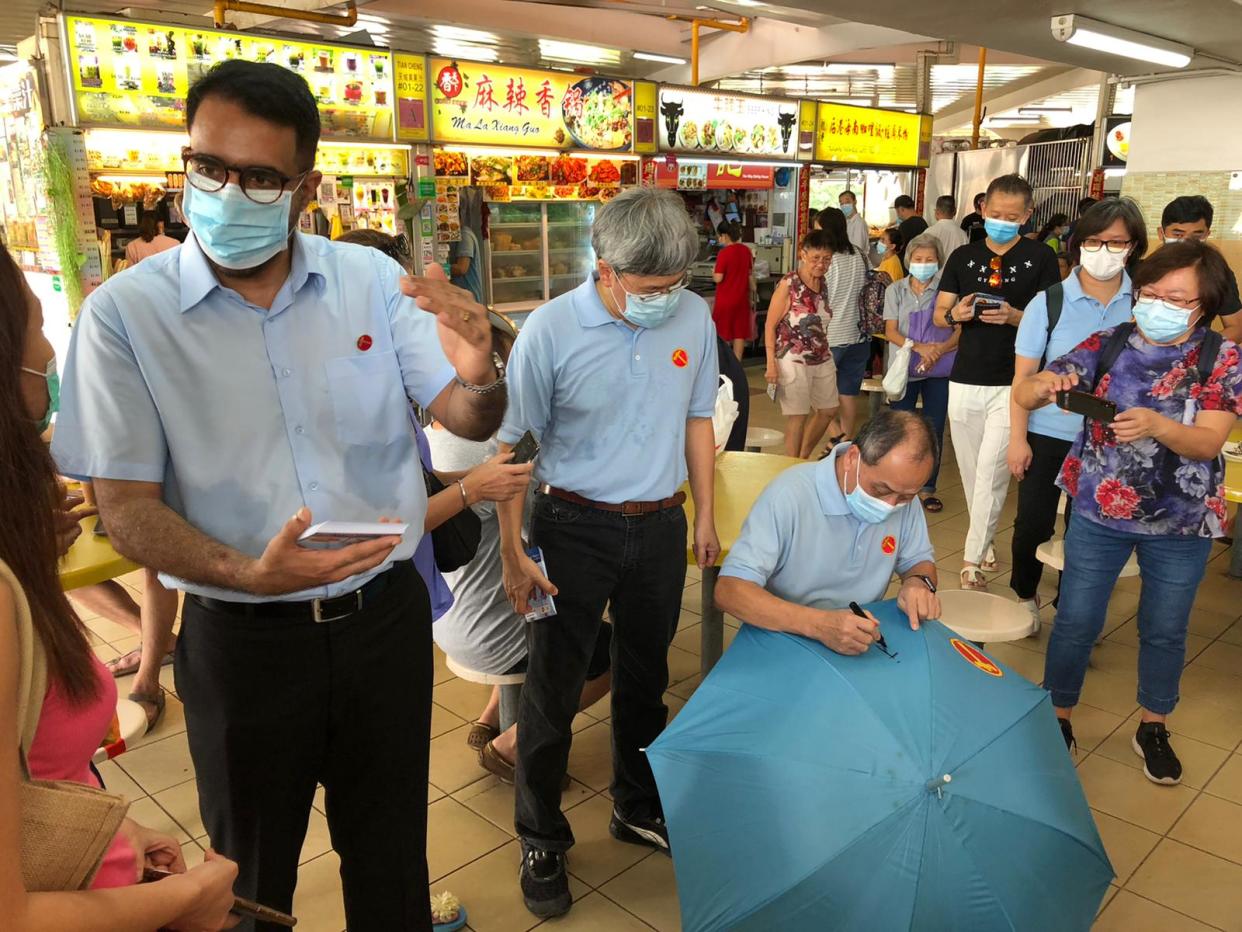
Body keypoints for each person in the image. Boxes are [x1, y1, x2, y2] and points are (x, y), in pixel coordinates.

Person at [51, 60, 507, 932]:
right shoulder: (123, 319)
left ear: (304, 187)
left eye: (260, 177)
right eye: (209, 167)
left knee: (390, 856)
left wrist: (483, 371)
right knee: (249, 881)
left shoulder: (369, 283)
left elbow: (467, 415)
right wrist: (245, 573)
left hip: (383, 623)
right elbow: (126, 507)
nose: (228, 191)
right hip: (242, 641)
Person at [0, 241, 241, 930]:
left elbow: (41, 789)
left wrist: (118, 839)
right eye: (32, 322)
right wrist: (191, 898)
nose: (48, 350)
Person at [496, 186, 720, 919]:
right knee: (553, 692)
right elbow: (517, 451)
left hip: (657, 526)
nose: (666, 298)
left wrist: (704, 517)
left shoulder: (693, 313)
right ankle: (541, 837)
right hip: (571, 526)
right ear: (605, 266)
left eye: (674, 284)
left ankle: (635, 804)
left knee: (645, 679)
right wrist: (511, 551)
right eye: (650, 287)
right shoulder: (551, 331)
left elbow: (696, 420)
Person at [1014, 241, 1241, 784]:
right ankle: (1058, 716)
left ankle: (1153, 725)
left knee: (1164, 627)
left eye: (1175, 297)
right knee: (1076, 620)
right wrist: (1045, 385)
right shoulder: (1109, 343)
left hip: (1180, 521)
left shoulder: (1222, 357)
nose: (1158, 303)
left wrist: (1158, 425)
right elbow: (1024, 394)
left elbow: (1209, 443)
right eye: (1151, 293)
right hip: (1098, 509)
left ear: (1204, 305)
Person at [424, 313, 611, 783]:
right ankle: (514, 743)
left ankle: (490, 716)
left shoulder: (430, 438)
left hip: (445, 618)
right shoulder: (491, 452)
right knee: (610, 646)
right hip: (487, 629)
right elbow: (538, 530)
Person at [1008, 198, 1145, 630]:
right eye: (1094, 241)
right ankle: (1024, 595)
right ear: (1077, 243)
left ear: (1133, 246)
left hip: (1112, 441)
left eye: (1116, 242)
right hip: (1048, 433)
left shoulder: (1146, 303)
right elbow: (1022, 381)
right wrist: (1017, 439)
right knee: (1034, 522)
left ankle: (1073, 609)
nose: (1104, 251)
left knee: (1088, 530)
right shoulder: (1048, 303)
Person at [715, 409, 941, 648]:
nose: (890, 506)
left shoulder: (906, 501)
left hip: (859, 638)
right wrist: (818, 625)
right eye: (880, 490)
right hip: (784, 635)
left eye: (905, 496)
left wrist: (918, 583)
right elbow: (730, 590)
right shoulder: (789, 495)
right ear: (853, 457)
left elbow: (919, 561)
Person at [934, 174, 1061, 591]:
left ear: (1026, 216)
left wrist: (1013, 317)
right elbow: (941, 314)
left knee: (991, 472)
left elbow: (1050, 322)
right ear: (983, 209)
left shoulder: (1040, 256)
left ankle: (971, 562)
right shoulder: (962, 256)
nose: (1002, 221)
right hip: (965, 378)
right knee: (972, 472)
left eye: (1012, 216)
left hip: (1014, 383)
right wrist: (959, 316)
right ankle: (985, 542)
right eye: (995, 213)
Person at [882, 233, 959, 513]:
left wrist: (938, 350)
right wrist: (920, 347)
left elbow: (958, 331)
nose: (923, 264)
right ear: (909, 260)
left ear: (938, 262)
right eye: (918, 259)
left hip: (939, 369)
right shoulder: (896, 290)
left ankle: (927, 488)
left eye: (929, 259)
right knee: (898, 427)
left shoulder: (948, 292)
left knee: (934, 428)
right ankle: (895, 483)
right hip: (904, 368)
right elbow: (891, 331)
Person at [765, 231, 839, 459]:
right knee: (798, 416)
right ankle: (791, 464)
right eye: (816, 258)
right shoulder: (790, 284)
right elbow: (770, 325)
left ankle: (803, 456)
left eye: (826, 259)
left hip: (822, 356)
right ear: (803, 254)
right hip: (792, 359)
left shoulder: (823, 283)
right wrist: (771, 364)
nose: (821, 264)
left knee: (828, 410)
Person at [817, 206, 869, 453]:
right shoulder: (859, 254)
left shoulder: (826, 261)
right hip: (858, 336)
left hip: (831, 336)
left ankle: (837, 435)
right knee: (848, 393)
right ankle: (848, 443)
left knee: (814, 392)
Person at [1159, 195, 1242, 336]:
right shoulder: (1144, 271)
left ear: (1207, 235)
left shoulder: (1217, 274)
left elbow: (1237, 327)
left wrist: (1198, 350)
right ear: (1161, 233)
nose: (1187, 242)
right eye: (1178, 234)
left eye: (1196, 236)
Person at [711, 221, 755, 360]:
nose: (719, 239)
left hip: (725, 300)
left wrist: (713, 272)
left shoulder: (724, 253)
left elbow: (718, 278)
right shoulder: (746, 250)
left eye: (719, 236)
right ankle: (737, 366)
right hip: (742, 299)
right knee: (739, 333)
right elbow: (749, 274)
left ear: (725, 235)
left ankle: (723, 365)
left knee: (722, 333)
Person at [450, 225, 485, 305]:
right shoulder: (456, 235)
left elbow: (461, 269)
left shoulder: (465, 235)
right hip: (460, 296)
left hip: (468, 297)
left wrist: (438, 267)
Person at [925, 195, 968, 261]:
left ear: (936, 211)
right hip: (955, 271)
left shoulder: (929, 232)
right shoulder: (963, 235)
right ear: (955, 212)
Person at [893, 195, 928, 265]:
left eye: (897, 211)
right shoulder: (923, 222)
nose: (898, 215)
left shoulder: (904, 226)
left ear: (901, 209)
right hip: (921, 262)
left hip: (906, 264)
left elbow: (898, 249)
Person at [839, 190, 870, 258]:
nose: (844, 206)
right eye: (841, 204)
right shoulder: (846, 222)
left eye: (847, 202)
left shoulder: (859, 223)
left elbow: (858, 249)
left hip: (857, 262)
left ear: (855, 202)